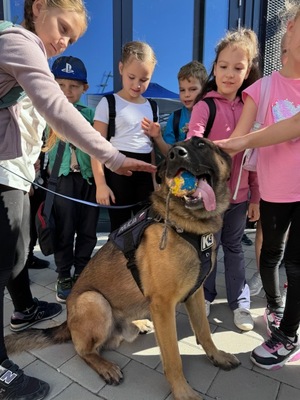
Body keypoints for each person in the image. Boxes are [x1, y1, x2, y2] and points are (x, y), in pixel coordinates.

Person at [0, 1, 155, 399]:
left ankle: (23, 313)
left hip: (13, 172)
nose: (64, 40)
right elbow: (57, 111)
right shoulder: (20, 42)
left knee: (15, 258)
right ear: (37, 8)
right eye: (63, 27)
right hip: (9, 174)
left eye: (73, 36)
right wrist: (114, 158)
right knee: (10, 259)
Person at [215, 4, 300, 370]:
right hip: (275, 191)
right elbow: (237, 136)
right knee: (271, 257)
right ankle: (276, 307)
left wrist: (238, 143)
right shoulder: (263, 88)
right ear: (292, 27)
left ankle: (287, 336)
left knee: (296, 265)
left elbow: (291, 126)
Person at [187, 28, 261, 331]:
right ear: (214, 67)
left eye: (238, 68)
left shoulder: (251, 108)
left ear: (248, 71)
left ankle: (240, 303)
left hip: (240, 197)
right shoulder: (206, 105)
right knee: (208, 247)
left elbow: (255, 158)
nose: (229, 74)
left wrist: (255, 197)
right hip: (209, 198)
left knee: (233, 248)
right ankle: (204, 296)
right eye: (223, 66)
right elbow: (194, 139)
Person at [47, 56, 101, 303]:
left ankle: (82, 268)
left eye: (73, 86)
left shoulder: (90, 114)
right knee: (64, 229)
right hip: (61, 181)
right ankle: (63, 274)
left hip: (88, 180)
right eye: (60, 85)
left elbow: (98, 145)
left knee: (88, 229)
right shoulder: (46, 112)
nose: (67, 92)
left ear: (84, 89)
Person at [93, 41, 158, 232]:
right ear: (121, 68)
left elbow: (150, 146)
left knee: (145, 228)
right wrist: (101, 184)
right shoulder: (108, 103)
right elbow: (96, 146)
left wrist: (155, 182)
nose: (137, 85)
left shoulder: (152, 106)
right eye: (132, 77)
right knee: (119, 228)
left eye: (144, 79)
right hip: (117, 171)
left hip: (145, 174)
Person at [247, 32, 288, 297]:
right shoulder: (269, 88)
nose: (287, 56)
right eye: (283, 50)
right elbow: (254, 140)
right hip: (272, 181)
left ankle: (283, 288)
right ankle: (264, 276)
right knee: (266, 235)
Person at [142, 60, 208, 156]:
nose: (187, 95)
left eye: (192, 89)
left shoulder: (213, 114)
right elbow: (169, 153)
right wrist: (158, 137)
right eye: (182, 90)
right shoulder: (175, 117)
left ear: (204, 90)